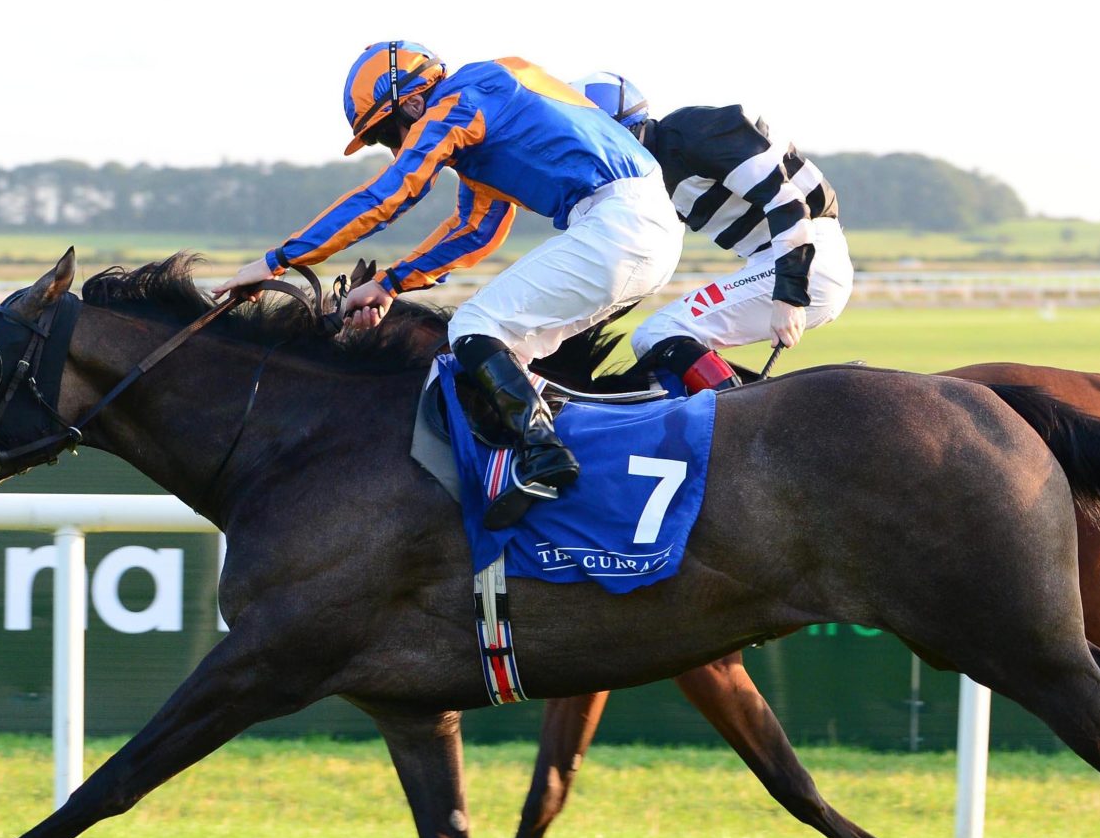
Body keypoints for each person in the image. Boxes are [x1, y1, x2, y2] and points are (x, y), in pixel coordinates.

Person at [213, 42, 683, 528]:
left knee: (475, 326)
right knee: (504, 355)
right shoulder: (491, 102)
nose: (397, 148)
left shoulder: (465, 99)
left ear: (414, 102)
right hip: (640, 227)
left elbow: (390, 194)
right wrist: (389, 283)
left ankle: (545, 456)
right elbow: (475, 230)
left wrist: (276, 260)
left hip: (618, 224)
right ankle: (535, 467)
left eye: (387, 134)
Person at [571, 72, 853, 395]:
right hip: (780, 259)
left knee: (659, 332)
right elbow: (641, 265)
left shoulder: (693, 132)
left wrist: (789, 295)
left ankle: (738, 429)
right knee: (661, 346)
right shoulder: (652, 176)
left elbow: (788, 203)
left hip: (807, 257)